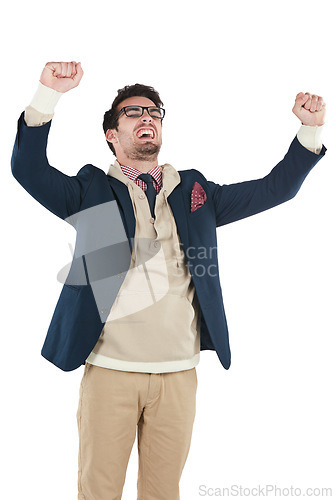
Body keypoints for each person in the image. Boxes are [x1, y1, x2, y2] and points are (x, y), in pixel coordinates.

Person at [11, 61, 327, 500]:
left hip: (178, 374)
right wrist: (48, 95)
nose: (147, 118)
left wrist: (308, 132)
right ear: (111, 134)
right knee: (98, 491)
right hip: (109, 371)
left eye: (155, 113)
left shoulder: (196, 192)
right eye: (133, 112)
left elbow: (275, 190)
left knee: (163, 493)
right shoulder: (91, 191)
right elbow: (28, 169)